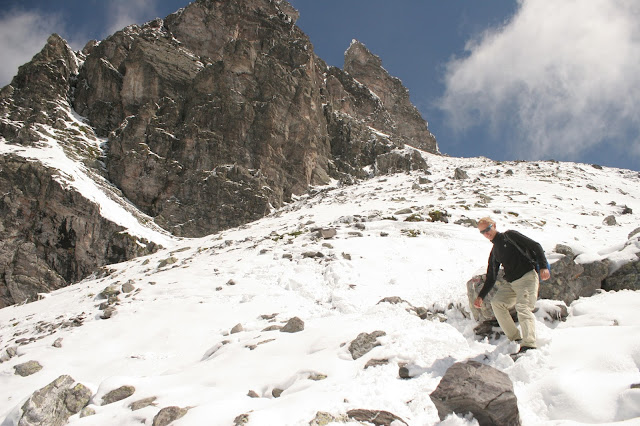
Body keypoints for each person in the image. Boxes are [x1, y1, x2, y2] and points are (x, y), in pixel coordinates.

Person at [474, 217, 550, 355]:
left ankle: (529, 344)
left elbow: (536, 246)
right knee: (497, 303)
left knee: (523, 307)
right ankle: (515, 338)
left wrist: (544, 267)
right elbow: (491, 276)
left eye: (488, 229)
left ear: (494, 225)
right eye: (482, 232)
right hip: (511, 283)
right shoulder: (494, 252)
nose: (486, 233)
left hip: (527, 277)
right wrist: (481, 296)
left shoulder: (510, 236)